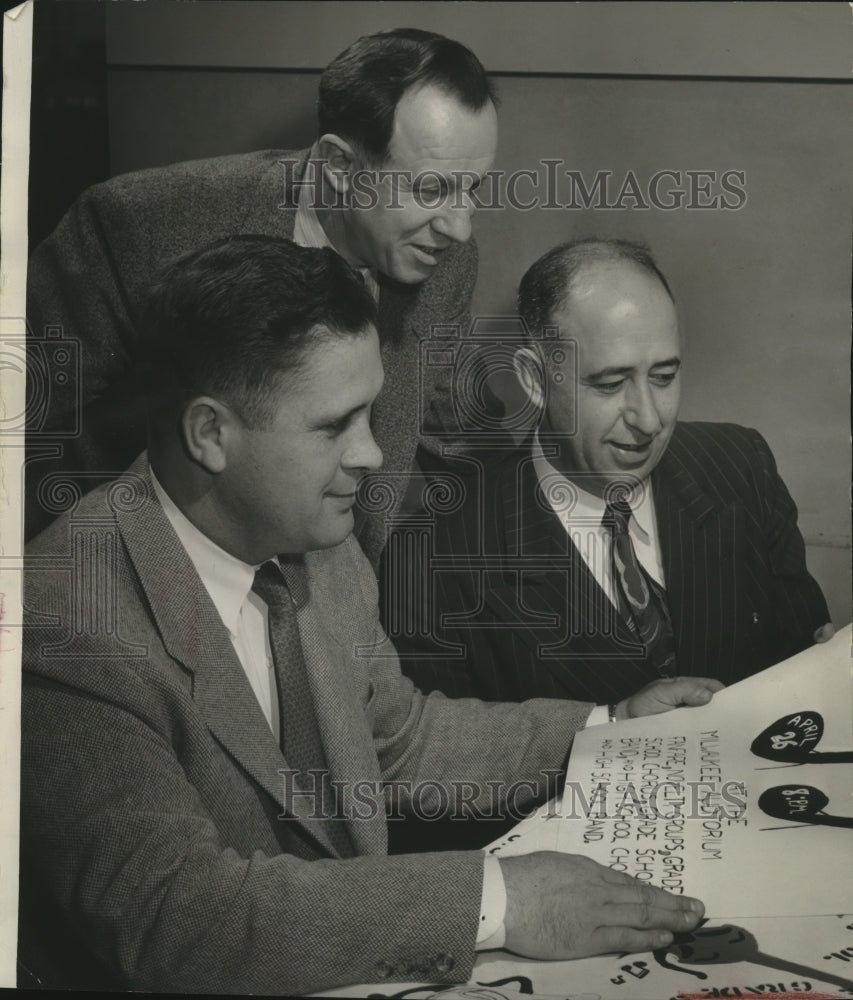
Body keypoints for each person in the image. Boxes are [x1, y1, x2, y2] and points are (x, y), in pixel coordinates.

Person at [18, 237, 717, 995]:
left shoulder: (317, 541)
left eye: (372, 414)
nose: (372, 456)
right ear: (210, 434)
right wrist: (502, 899)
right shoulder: (63, 620)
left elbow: (399, 741)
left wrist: (608, 728)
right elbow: (176, 917)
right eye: (334, 426)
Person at [24, 27, 499, 565]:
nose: (460, 227)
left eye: (473, 189)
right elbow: (25, 436)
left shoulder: (447, 262)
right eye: (433, 189)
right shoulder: (134, 226)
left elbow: (449, 431)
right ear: (340, 167)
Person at [381, 237, 832, 704]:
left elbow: (801, 658)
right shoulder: (430, 561)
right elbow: (445, 761)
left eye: (664, 377)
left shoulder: (741, 464)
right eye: (611, 383)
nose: (649, 420)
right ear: (534, 380)